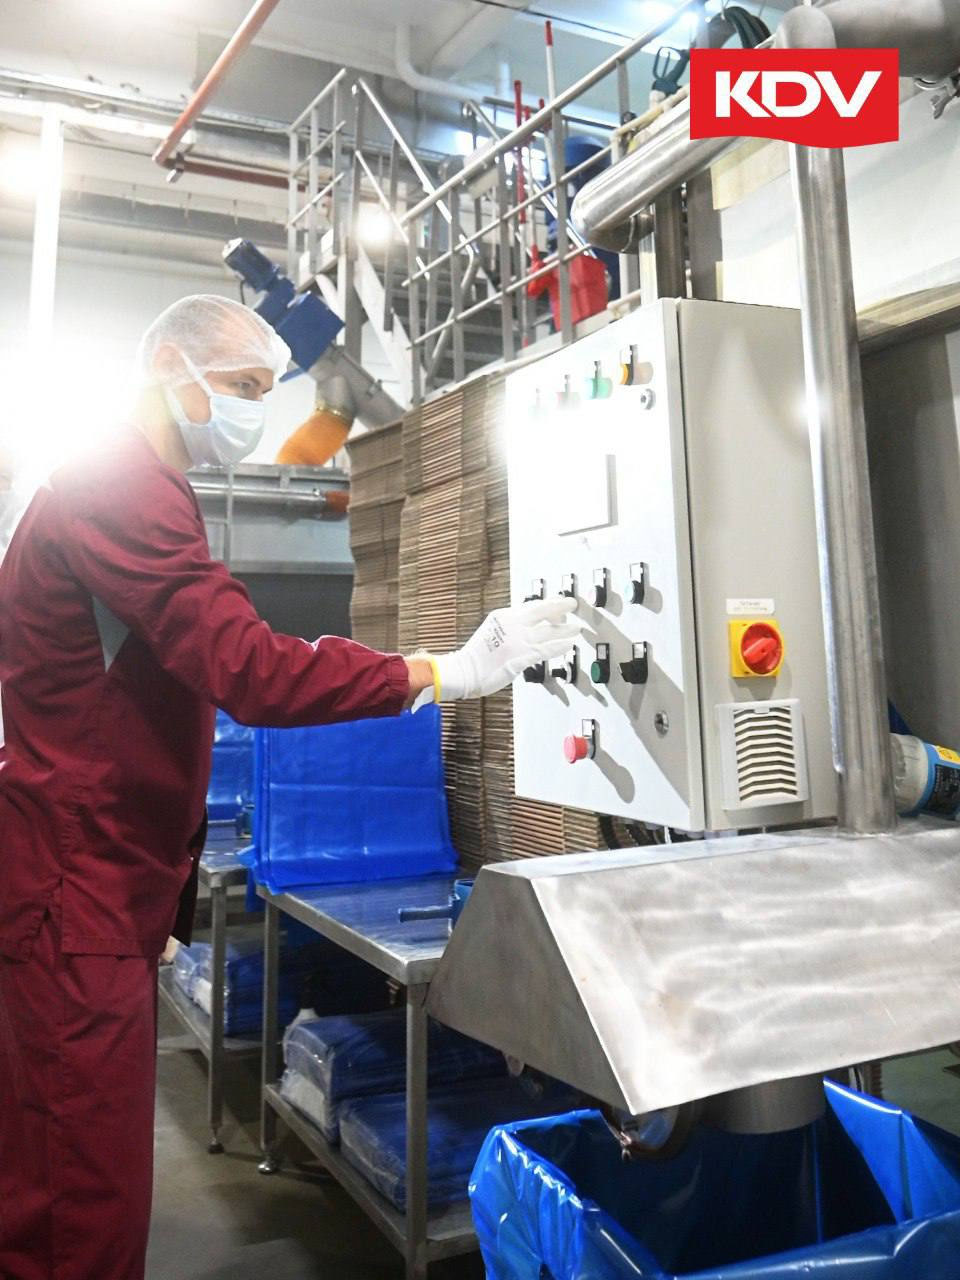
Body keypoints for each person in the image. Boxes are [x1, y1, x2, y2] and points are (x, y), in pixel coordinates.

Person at [0, 294, 581, 1280]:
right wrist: (442, 669)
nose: (253, 413)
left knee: (57, 1180)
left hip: (86, 886)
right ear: (170, 366)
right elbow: (250, 668)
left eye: (267, 391)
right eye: (241, 386)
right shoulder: (120, 483)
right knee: (78, 1208)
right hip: (74, 895)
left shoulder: (130, 484)